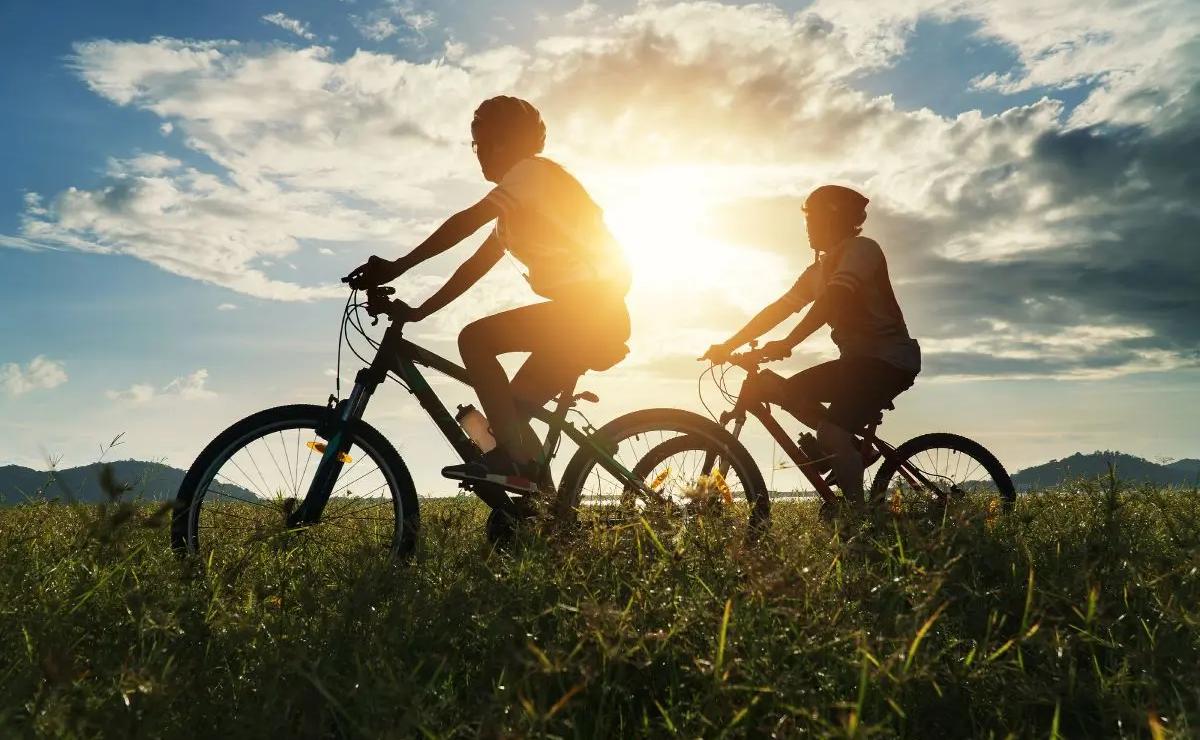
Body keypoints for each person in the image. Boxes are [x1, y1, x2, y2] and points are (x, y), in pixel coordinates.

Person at [345, 96, 632, 494]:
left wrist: (398, 266)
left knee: (475, 340)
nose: (478, 153)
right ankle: (545, 513)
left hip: (591, 312)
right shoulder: (516, 208)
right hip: (583, 316)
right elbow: (472, 269)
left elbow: (463, 222)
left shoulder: (532, 174)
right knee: (509, 419)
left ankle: (504, 463)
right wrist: (419, 312)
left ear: (503, 141)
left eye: (481, 142)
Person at [702, 185, 920, 507]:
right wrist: (728, 344)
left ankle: (857, 521)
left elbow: (833, 301)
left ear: (834, 219)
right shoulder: (816, 272)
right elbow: (777, 310)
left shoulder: (862, 250)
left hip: (888, 361)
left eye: (812, 221)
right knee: (788, 392)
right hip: (856, 365)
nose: (807, 230)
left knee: (830, 434)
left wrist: (788, 343)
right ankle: (850, 450)